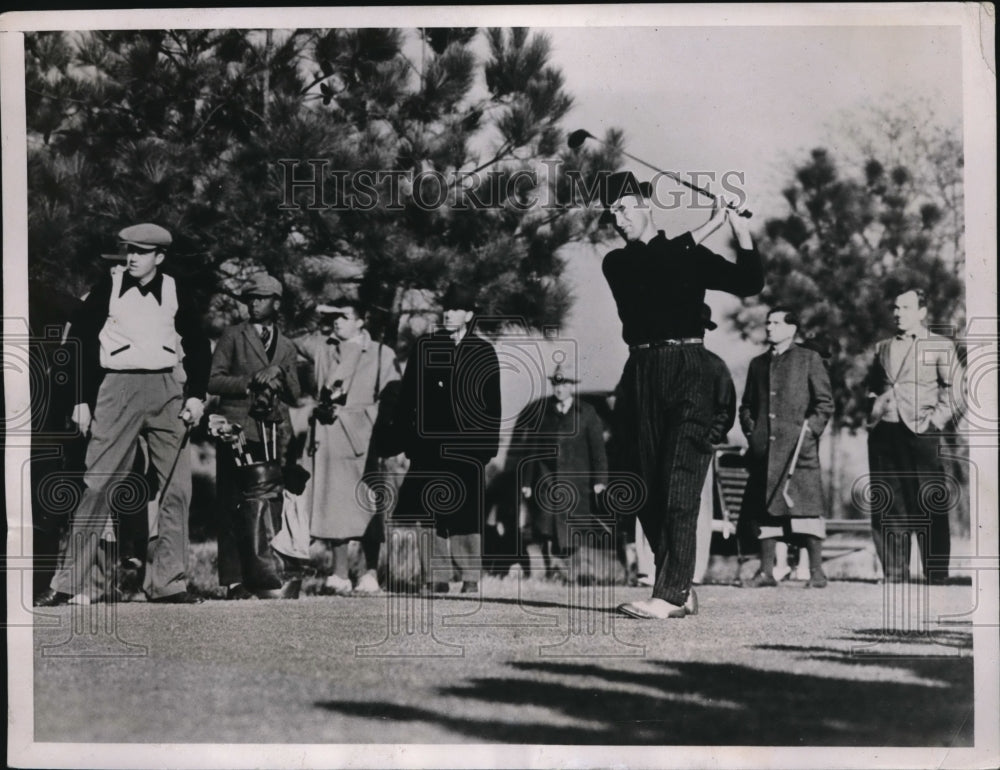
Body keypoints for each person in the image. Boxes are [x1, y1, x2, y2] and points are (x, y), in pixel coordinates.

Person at [600, 171, 764, 620]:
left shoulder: (688, 254)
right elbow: (661, 263)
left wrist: (740, 230)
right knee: (640, 487)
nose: (618, 218)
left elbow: (749, 282)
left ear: (647, 206)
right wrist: (713, 220)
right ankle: (678, 586)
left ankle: (670, 593)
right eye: (612, 212)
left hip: (691, 369)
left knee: (679, 481)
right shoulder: (619, 262)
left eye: (626, 208)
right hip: (641, 372)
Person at [35, 223, 210, 606]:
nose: (132, 257)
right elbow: (78, 341)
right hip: (117, 390)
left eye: (142, 251)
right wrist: (80, 400)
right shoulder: (108, 287)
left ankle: (168, 584)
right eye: (129, 249)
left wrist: (196, 396)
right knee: (97, 484)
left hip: (167, 391)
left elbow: (197, 344)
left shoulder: (175, 290)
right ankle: (66, 584)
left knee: (178, 488)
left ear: (159, 257)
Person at [391, 283, 502, 594]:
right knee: (430, 511)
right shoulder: (426, 347)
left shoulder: (483, 351)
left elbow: (492, 405)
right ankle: (435, 576)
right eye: (448, 308)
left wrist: (485, 449)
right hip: (428, 445)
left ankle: (470, 577)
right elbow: (408, 399)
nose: (451, 313)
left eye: (458, 309)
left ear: (469, 314)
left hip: (468, 447)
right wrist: (405, 442)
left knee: (466, 513)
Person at [292, 298, 400, 595]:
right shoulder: (323, 347)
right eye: (333, 316)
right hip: (327, 437)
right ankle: (339, 574)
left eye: (343, 316)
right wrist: (316, 311)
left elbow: (392, 397)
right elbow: (294, 335)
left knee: (368, 506)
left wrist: (360, 419)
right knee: (333, 505)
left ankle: (370, 572)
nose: (336, 321)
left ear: (361, 320)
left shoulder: (380, 352)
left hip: (364, 438)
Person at [207, 274, 302, 599]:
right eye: (250, 298)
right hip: (235, 432)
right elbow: (213, 380)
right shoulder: (233, 335)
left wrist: (280, 371)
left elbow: (295, 395)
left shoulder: (287, 345)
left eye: (261, 298)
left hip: (271, 432)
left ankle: (265, 574)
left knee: (266, 508)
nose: (254, 304)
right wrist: (250, 381)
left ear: (276, 302)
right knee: (232, 504)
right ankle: (235, 580)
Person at [865, 288, 965, 583]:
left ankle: (935, 573)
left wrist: (936, 421)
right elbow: (873, 386)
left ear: (922, 312)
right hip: (885, 433)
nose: (898, 313)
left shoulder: (939, 345)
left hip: (923, 432)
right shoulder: (881, 347)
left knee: (927, 499)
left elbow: (957, 390)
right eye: (896, 308)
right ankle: (895, 572)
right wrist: (872, 413)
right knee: (889, 502)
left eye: (906, 308)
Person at [738, 307, 834, 588]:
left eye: (776, 323)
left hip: (799, 450)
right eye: (768, 322)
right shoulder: (757, 364)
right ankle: (767, 572)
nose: (769, 328)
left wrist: (809, 433)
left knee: (806, 509)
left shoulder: (809, 359)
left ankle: (817, 572)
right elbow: (746, 406)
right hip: (765, 452)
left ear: (791, 329)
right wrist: (752, 432)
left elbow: (824, 403)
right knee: (765, 510)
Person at [517, 361, 609, 578]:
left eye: (564, 383)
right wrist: (527, 483)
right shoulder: (542, 411)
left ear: (572, 386)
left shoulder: (586, 413)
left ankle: (577, 572)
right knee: (546, 526)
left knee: (575, 527)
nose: (559, 388)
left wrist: (600, 480)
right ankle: (551, 571)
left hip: (577, 482)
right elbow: (532, 449)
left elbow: (598, 450)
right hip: (546, 480)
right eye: (556, 384)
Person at [694, 304, 738, 585]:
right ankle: (654, 572)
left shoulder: (714, 365)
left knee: (698, 511)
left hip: (698, 450)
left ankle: (694, 572)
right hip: (663, 450)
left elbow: (726, 409)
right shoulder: (661, 360)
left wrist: (707, 439)